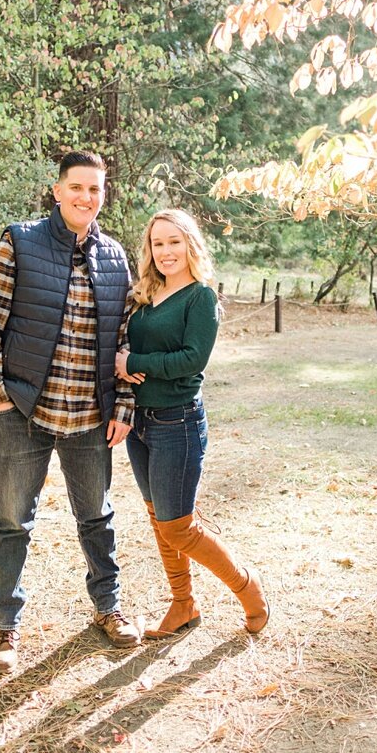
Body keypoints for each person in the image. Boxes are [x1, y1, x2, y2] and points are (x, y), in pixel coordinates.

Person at [0, 149, 139, 673]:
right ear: (57, 191)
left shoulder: (115, 258)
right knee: (13, 521)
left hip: (89, 417)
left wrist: (123, 404)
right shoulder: (20, 242)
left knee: (97, 517)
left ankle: (108, 609)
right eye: (77, 187)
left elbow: (125, 341)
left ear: (103, 195)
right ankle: (5, 626)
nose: (86, 197)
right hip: (22, 414)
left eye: (95, 189)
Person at [117, 210, 268, 638]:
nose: (165, 251)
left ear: (190, 245)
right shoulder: (146, 294)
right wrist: (122, 365)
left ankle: (248, 587)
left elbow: (192, 360)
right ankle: (183, 604)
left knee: (178, 527)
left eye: (174, 242)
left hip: (177, 422)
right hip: (140, 424)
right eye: (158, 243)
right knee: (158, 519)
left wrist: (134, 362)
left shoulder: (201, 297)